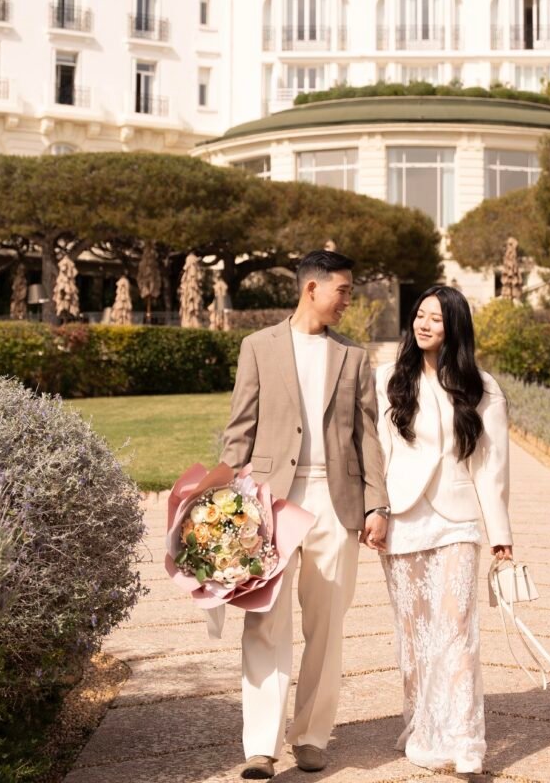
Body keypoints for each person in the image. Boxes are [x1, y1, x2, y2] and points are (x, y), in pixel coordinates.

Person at [220, 249, 390, 780]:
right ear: (311, 288)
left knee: (327, 627)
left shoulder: (354, 357)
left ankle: (312, 736)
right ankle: (260, 747)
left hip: (336, 505)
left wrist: (376, 504)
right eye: (343, 290)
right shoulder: (258, 347)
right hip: (271, 503)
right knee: (264, 622)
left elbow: (368, 437)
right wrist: (219, 503)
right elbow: (239, 428)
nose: (349, 300)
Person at [374, 285, 513, 776]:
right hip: (402, 519)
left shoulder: (482, 387)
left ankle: (464, 740)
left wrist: (501, 534)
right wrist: (377, 511)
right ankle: (423, 724)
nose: (424, 323)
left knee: (456, 630)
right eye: (420, 315)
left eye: (436, 317)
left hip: (457, 521)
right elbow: (377, 452)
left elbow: (492, 468)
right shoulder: (387, 379)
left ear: (455, 327)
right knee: (414, 635)